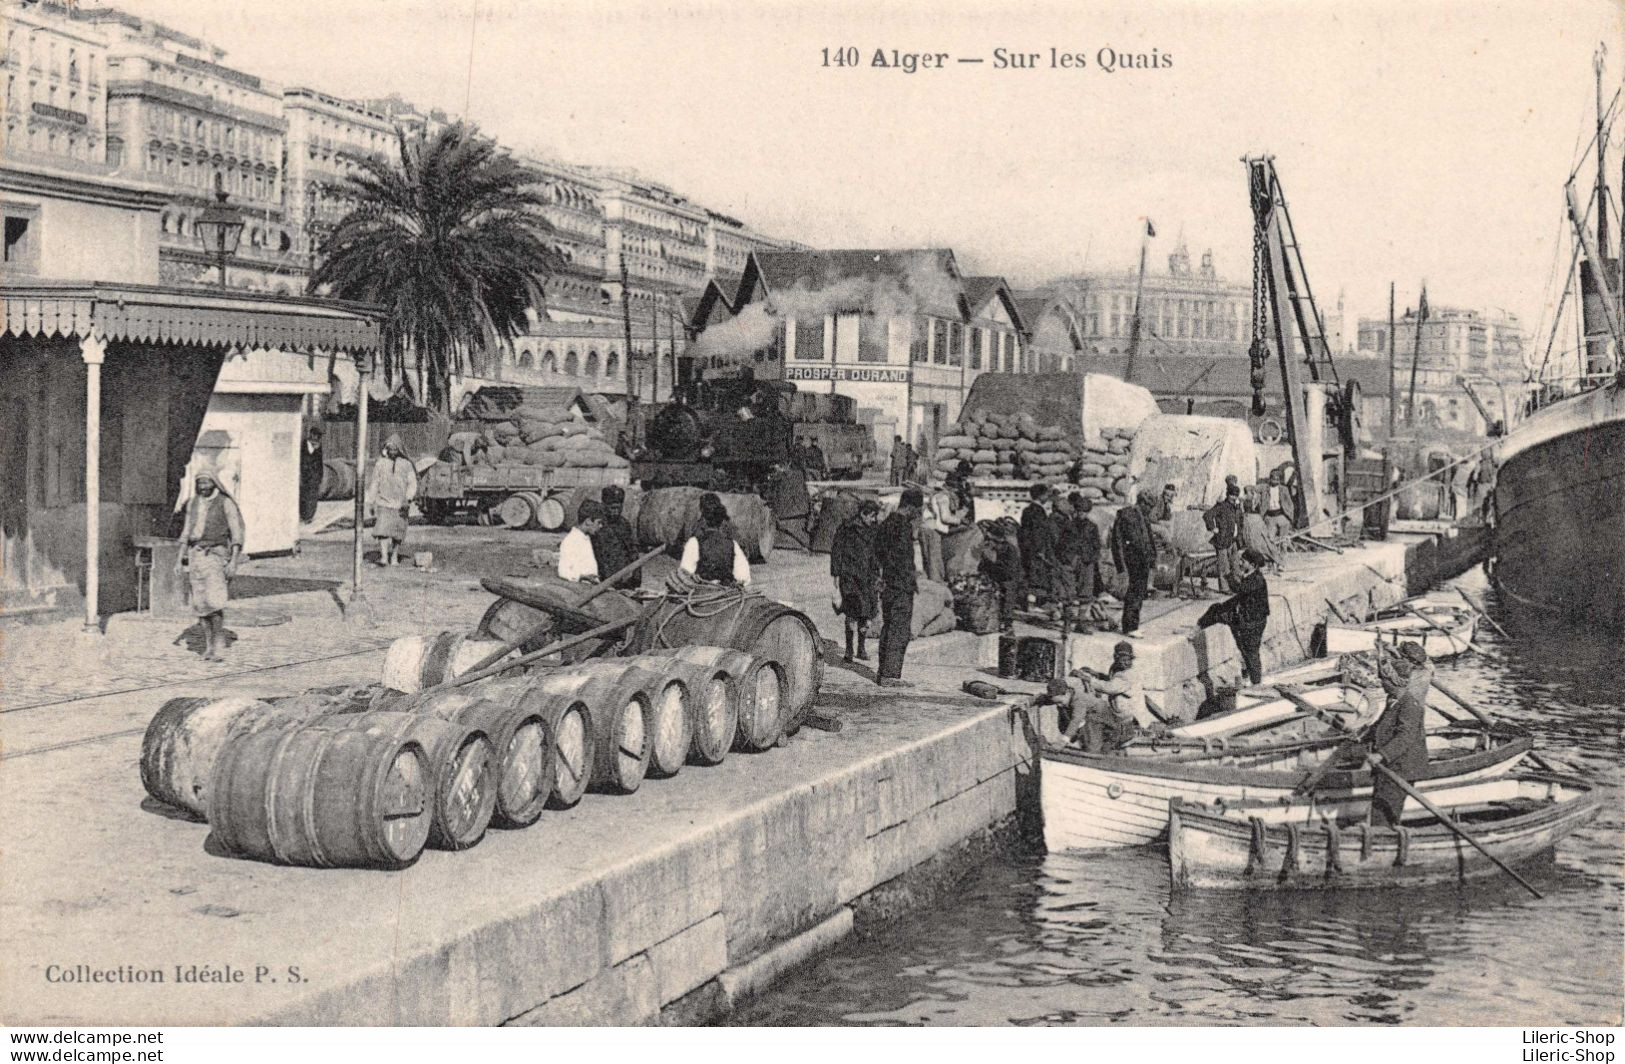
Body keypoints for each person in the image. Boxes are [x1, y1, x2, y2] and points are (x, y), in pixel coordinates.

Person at [176, 471, 244, 662]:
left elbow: (236, 535)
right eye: (199, 483)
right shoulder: (193, 503)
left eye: (206, 483)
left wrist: (233, 562)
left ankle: (218, 644)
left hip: (216, 555)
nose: (203, 487)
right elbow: (186, 531)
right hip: (196, 556)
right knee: (201, 604)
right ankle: (208, 646)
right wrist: (179, 558)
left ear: (214, 483)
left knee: (215, 602)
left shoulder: (226, 503)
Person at [1367, 641, 1434, 827]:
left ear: (1398, 683)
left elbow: (1406, 736)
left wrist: (1381, 754)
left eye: (1386, 682)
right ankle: (1378, 835)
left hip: (1402, 767)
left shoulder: (1410, 705)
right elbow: (1383, 725)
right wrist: (1364, 736)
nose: (1383, 685)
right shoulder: (1394, 700)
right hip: (1390, 765)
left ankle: (1384, 840)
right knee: (1378, 809)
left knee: (1386, 811)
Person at [1049, 641, 1155, 752]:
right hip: (1119, 713)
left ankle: (1096, 748)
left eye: (1128, 660)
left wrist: (1088, 679)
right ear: (1116, 658)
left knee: (1093, 720)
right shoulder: (1118, 669)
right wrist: (1097, 674)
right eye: (1122, 660)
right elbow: (1111, 679)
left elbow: (1109, 687)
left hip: (1129, 716)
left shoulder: (1129, 675)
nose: (1126, 663)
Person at [1197, 548, 1272, 684]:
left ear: (1253, 565)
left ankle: (1256, 683)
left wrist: (1228, 573)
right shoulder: (1251, 576)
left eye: (1243, 561)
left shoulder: (1256, 580)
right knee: (1217, 610)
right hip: (1247, 618)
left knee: (1250, 652)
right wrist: (1225, 606)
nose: (1240, 563)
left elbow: (1239, 589)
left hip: (1252, 622)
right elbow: (1239, 596)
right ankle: (1252, 678)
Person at [874, 489, 923, 687]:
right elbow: (902, 560)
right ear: (910, 507)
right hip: (900, 586)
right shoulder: (903, 528)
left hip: (888, 583)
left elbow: (879, 553)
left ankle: (883, 671)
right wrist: (910, 579)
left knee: (888, 626)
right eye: (918, 509)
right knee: (899, 629)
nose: (918, 513)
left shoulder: (886, 524)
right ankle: (891, 676)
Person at [830, 499, 881, 662]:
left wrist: (879, 574)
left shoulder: (874, 530)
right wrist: (836, 578)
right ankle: (849, 650)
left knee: (866, 615)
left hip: (868, 579)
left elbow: (878, 553)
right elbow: (836, 553)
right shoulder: (846, 529)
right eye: (872, 516)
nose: (874, 520)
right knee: (851, 614)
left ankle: (861, 648)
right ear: (863, 514)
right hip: (850, 578)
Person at [1110, 489, 1158, 635]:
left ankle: (1132, 625)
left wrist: (1152, 559)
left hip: (1142, 561)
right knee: (1134, 593)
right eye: (1148, 506)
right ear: (1142, 502)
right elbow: (1120, 542)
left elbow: (1148, 540)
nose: (1150, 510)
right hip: (1133, 561)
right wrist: (1121, 566)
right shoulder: (1127, 515)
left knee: (1139, 593)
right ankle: (1129, 627)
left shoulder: (1143, 516)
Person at [367, 433, 417, 566]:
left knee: (397, 533)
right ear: (387, 449)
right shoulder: (380, 464)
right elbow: (374, 482)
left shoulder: (406, 464)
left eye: (395, 449)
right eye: (390, 449)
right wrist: (371, 501)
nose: (393, 451)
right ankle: (384, 556)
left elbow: (412, 483)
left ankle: (394, 556)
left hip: (400, 504)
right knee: (383, 531)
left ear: (399, 450)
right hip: (384, 502)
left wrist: (408, 498)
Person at [680, 492, 751, 585]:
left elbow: (685, 573)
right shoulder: (733, 543)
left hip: (702, 591)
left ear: (703, 512)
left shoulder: (695, 540)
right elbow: (744, 577)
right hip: (726, 590)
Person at [919, 471, 965, 583]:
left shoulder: (940, 494)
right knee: (934, 561)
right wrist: (960, 521)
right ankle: (936, 585)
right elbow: (945, 518)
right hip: (932, 529)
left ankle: (931, 583)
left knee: (929, 560)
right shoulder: (943, 497)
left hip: (928, 527)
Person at [1018, 483, 1058, 610]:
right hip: (1037, 549)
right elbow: (1038, 533)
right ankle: (1033, 604)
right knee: (1036, 577)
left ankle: (1030, 603)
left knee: (1030, 575)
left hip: (1027, 548)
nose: (1047, 497)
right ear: (1041, 496)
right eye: (1046, 494)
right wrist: (1041, 550)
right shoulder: (1038, 511)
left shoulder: (1027, 510)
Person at [980, 517, 1024, 633]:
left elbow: (1009, 572)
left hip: (1009, 579)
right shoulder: (994, 549)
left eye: (992, 540)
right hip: (999, 577)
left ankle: (1007, 623)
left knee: (1008, 595)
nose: (990, 543)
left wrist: (992, 562)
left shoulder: (1010, 550)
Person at [592, 486, 639, 589]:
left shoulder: (624, 524)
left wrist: (636, 578)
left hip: (625, 579)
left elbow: (633, 551)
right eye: (612, 508)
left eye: (619, 508)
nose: (616, 511)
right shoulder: (596, 525)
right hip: (605, 580)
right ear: (604, 505)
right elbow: (597, 556)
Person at [1203, 481, 1245, 589]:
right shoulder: (1221, 506)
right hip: (1222, 540)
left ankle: (1237, 586)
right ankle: (1225, 588)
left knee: (1235, 565)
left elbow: (1240, 521)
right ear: (1228, 495)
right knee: (1224, 567)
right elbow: (1207, 515)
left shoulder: (1237, 508)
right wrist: (1213, 528)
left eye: (1235, 495)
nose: (1233, 497)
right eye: (1232, 495)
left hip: (1233, 540)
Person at [1065, 493, 1102, 608]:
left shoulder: (1092, 527)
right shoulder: (1069, 525)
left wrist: (1092, 558)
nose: (1081, 514)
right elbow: (1062, 543)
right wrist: (1068, 557)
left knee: (1085, 592)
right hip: (1072, 560)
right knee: (1068, 592)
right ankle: (1068, 621)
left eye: (1084, 512)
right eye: (1079, 511)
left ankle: (1081, 621)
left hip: (1086, 561)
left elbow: (1097, 544)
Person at [558, 499, 603, 582]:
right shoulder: (571, 541)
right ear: (588, 521)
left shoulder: (586, 538)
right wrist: (582, 576)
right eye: (599, 522)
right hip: (579, 589)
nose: (601, 526)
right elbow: (563, 571)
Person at [1239, 489, 1282, 573]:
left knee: (1263, 544)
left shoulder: (1254, 499)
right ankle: (1266, 563)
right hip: (1250, 521)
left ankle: (1272, 562)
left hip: (1254, 521)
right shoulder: (1245, 500)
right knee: (1258, 544)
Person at [298, 424, 324, 525]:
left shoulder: (318, 446)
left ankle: (309, 517)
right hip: (305, 475)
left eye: (319, 436)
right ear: (311, 435)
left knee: (313, 496)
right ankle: (303, 515)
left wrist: (320, 475)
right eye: (317, 435)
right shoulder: (304, 444)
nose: (318, 438)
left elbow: (320, 461)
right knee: (304, 496)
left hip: (315, 475)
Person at [1263, 469, 1293, 545]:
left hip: (1281, 515)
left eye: (1277, 479)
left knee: (1284, 540)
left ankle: (1283, 554)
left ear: (1279, 479)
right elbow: (1254, 489)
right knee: (1270, 539)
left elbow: (1290, 503)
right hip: (1270, 517)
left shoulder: (1284, 489)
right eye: (1273, 478)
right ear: (1270, 479)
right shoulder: (1265, 488)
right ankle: (1272, 555)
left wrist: (1289, 517)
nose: (1275, 481)